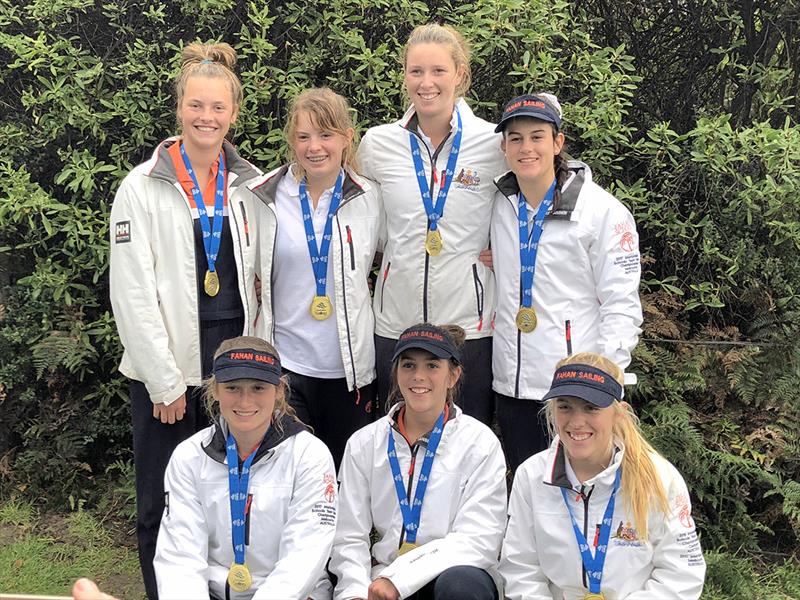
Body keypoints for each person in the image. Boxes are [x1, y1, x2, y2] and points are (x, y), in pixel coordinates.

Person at [109, 42, 260, 599]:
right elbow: (132, 293)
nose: (206, 117)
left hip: (235, 366)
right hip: (168, 370)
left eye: (218, 108)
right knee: (163, 499)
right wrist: (165, 380)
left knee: (228, 493)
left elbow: (265, 278)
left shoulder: (251, 186)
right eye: (196, 105)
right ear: (179, 109)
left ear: (233, 113)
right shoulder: (140, 186)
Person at [357, 23, 507, 422]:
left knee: (466, 447)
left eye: (438, 71)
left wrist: (508, 248)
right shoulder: (377, 144)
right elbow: (359, 221)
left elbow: (530, 199)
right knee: (393, 442)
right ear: (405, 76)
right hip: (395, 324)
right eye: (416, 71)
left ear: (460, 74)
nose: (426, 83)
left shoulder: (493, 143)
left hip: (469, 327)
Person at [490, 93, 643, 472]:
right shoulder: (499, 204)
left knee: (582, 494)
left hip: (574, 391)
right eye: (516, 138)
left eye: (537, 136)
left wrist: (605, 383)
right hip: (510, 386)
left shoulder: (603, 212)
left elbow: (621, 304)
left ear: (558, 143)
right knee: (528, 493)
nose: (527, 148)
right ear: (504, 147)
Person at [499, 353, 706, 599]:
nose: (576, 422)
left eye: (591, 408)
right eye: (565, 406)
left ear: (619, 412)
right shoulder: (531, 476)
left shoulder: (660, 477)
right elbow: (521, 569)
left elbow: (682, 574)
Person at [251, 87, 380, 468]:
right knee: (289, 474)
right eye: (304, 136)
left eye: (325, 135)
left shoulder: (370, 197)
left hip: (349, 368)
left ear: (346, 138)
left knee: (344, 475)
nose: (315, 147)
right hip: (287, 365)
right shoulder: (264, 197)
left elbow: (401, 252)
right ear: (292, 140)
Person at [330, 323, 507, 600]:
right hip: (384, 580)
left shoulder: (480, 443)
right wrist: (353, 592)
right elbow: (348, 536)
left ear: (453, 376)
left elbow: (479, 539)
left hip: (451, 576)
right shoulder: (364, 443)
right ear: (396, 373)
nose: (419, 376)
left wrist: (401, 578)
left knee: (462, 585)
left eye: (433, 366)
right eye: (409, 365)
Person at [153, 336, 337, 599]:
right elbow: (180, 557)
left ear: (279, 390)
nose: (245, 401)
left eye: (258, 388)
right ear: (215, 390)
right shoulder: (188, 457)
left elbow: (304, 554)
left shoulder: (310, 455)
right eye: (233, 388)